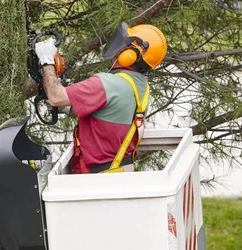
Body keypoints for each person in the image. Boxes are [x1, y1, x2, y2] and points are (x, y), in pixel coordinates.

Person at [34, 22, 167, 174]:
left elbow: (56, 97)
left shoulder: (107, 84)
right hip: (121, 173)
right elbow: (108, 112)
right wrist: (69, 105)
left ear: (130, 55)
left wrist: (47, 61)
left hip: (96, 179)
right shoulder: (140, 86)